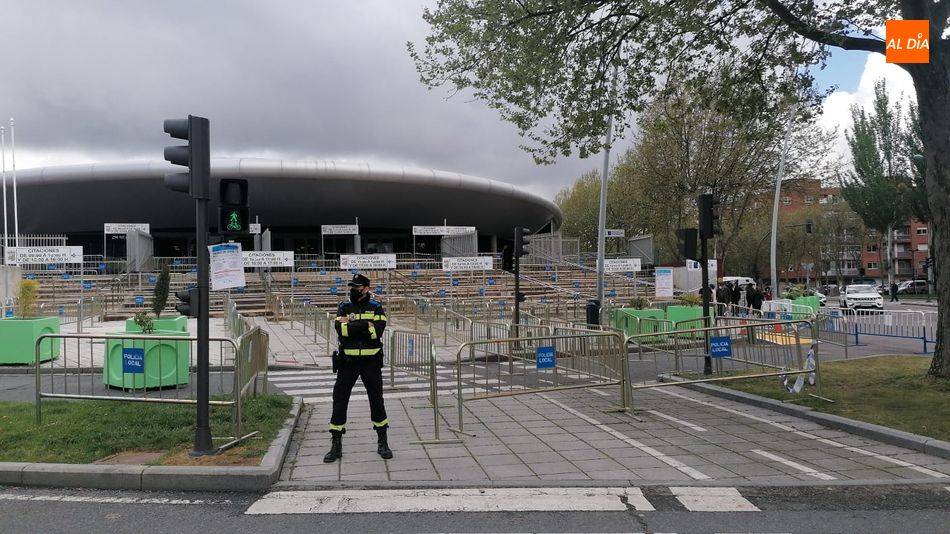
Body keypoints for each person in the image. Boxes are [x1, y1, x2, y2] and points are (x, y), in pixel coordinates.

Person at [324, 273, 392, 463]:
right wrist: (365, 325)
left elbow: (376, 332)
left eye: (357, 287)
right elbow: (342, 331)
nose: (354, 290)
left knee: (377, 400)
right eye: (352, 287)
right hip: (348, 362)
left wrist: (355, 325)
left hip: (371, 362)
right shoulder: (344, 306)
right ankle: (336, 444)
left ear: (366, 288)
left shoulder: (376, 307)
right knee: (339, 400)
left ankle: (383, 441)